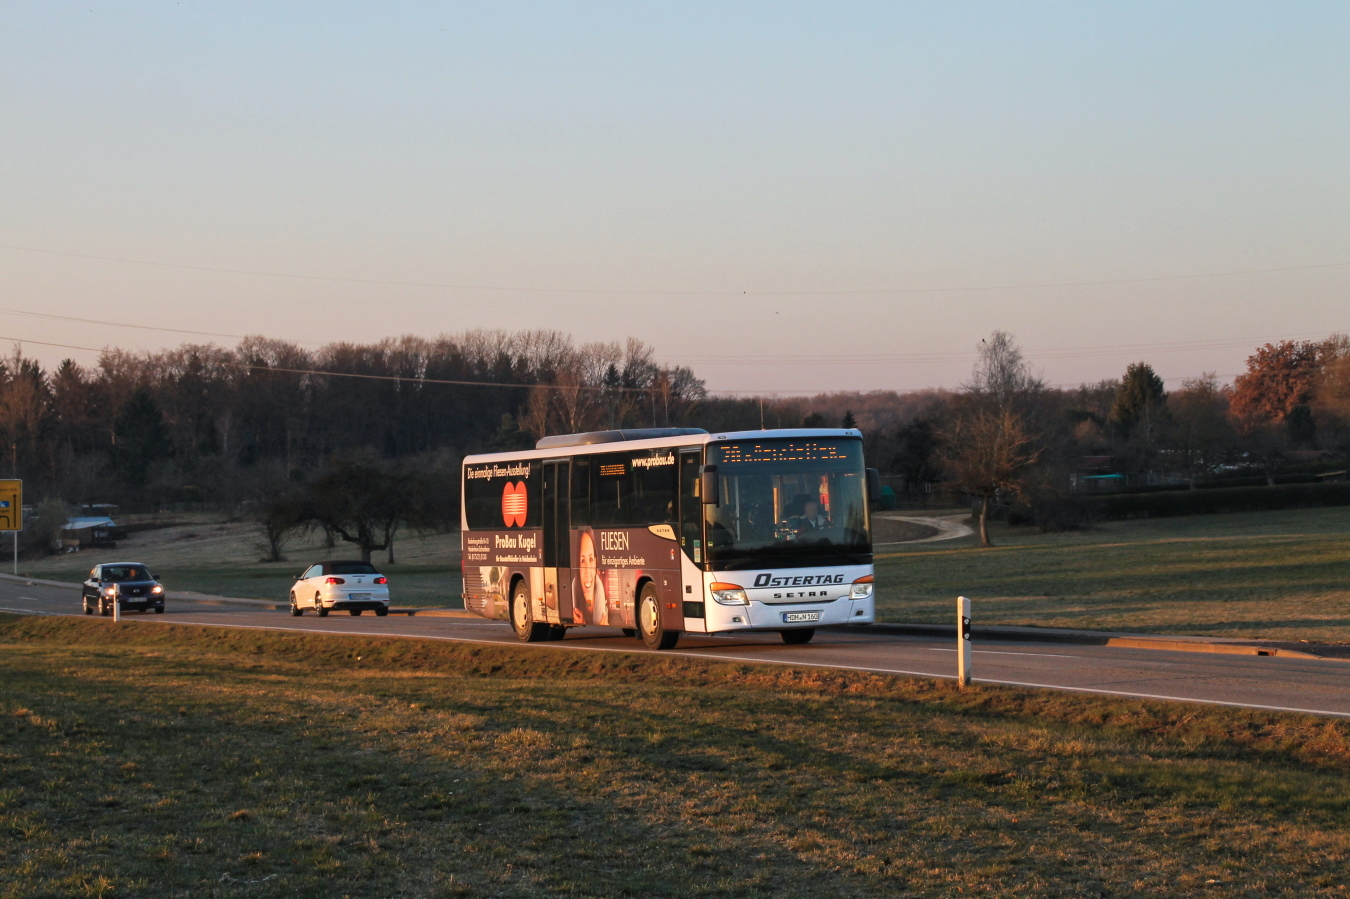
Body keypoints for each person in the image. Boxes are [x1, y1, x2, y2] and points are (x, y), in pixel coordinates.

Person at [574, 528, 608, 626]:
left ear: (596, 562)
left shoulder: (605, 610)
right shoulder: (573, 604)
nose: (588, 571)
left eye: (591, 559)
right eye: (582, 561)